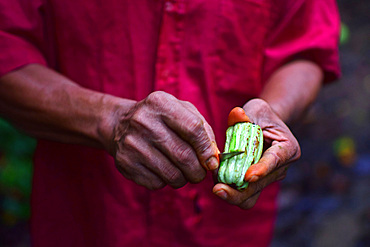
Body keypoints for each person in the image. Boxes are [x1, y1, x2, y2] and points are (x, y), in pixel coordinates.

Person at [0, 0, 340, 246]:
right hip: (90, 216)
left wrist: (273, 111)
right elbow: (7, 50)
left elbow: (305, 47)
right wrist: (110, 121)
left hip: (227, 227)